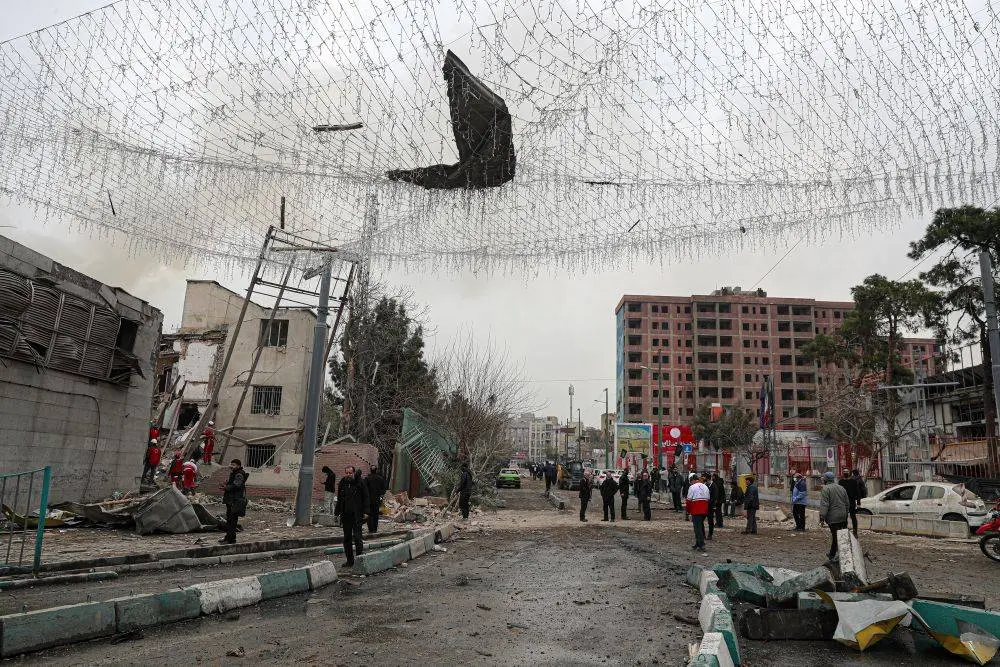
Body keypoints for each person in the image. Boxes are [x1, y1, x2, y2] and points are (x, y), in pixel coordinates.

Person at [334, 466, 368, 567]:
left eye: (350, 473)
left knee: (357, 538)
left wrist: (366, 511)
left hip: (357, 515)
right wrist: (336, 513)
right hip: (346, 515)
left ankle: (359, 560)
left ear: (353, 473)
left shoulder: (360, 483)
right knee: (347, 539)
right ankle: (350, 561)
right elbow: (340, 499)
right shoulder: (342, 483)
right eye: (347, 473)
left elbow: (366, 497)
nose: (348, 475)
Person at [820, 471, 851, 561]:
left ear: (826, 479)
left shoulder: (826, 489)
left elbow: (824, 504)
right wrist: (846, 513)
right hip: (843, 516)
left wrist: (822, 516)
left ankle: (834, 555)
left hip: (833, 517)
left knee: (835, 536)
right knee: (841, 535)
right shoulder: (841, 488)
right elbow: (847, 502)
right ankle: (836, 553)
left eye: (824, 478)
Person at [221, 459, 248, 544]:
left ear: (238, 466)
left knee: (232, 521)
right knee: (229, 520)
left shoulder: (239, 474)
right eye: (231, 464)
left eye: (234, 465)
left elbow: (237, 485)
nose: (231, 466)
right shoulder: (235, 473)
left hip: (235, 500)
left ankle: (231, 539)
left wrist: (226, 487)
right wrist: (226, 484)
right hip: (231, 500)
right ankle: (228, 537)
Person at [686, 473, 711, 552]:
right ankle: (698, 543)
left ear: (693, 480)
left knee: (697, 528)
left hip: (696, 509)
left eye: (691, 481)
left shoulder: (692, 487)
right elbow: (708, 498)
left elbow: (689, 500)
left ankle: (701, 544)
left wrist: (688, 511)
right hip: (704, 509)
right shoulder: (705, 486)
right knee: (700, 526)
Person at [838, 468, 862, 536]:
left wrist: (858, 503)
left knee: (853, 517)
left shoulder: (853, 482)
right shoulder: (841, 482)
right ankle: (844, 531)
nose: (845, 473)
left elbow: (858, 492)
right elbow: (839, 492)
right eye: (844, 472)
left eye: (847, 471)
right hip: (843, 502)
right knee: (844, 517)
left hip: (851, 501)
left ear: (849, 473)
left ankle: (855, 532)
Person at [365, 466, 386, 534]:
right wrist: (381, 496)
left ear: (370, 470)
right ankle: (375, 528)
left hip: (369, 500)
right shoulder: (380, 478)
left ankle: (370, 529)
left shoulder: (367, 479)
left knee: (369, 514)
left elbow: (364, 489)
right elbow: (383, 490)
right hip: (377, 499)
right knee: (376, 514)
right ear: (376, 470)